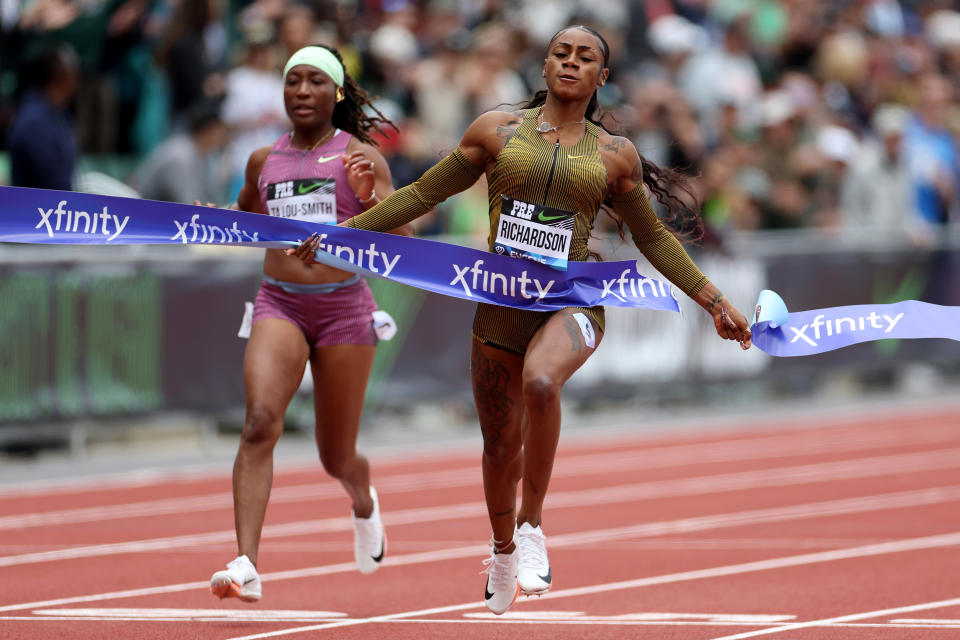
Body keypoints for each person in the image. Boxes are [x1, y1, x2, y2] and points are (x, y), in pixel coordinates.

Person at [291, 25, 752, 616]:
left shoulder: (615, 156)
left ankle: (532, 528)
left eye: (586, 57)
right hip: (500, 306)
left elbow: (654, 236)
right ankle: (504, 549)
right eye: (562, 52)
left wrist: (714, 301)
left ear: (600, 78)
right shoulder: (495, 131)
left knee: (541, 382)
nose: (571, 62)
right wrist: (340, 233)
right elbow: (421, 194)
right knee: (499, 446)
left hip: (573, 299)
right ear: (544, 66)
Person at [209, 44, 411, 602]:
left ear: (336, 93)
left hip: (346, 308)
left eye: (315, 81)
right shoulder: (261, 160)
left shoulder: (362, 155)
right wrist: (209, 220)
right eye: (292, 81)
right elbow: (247, 219)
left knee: (335, 456)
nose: (302, 91)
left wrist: (369, 200)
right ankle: (247, 561)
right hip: (280, 302)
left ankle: (363, 499)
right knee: (259, 423)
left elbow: (404, 243)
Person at [7, 43, 79, 190]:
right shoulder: (35, 121)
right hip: (36, 209)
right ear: (61, 76)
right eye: (74, 73)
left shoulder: (58, 114)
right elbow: (52, 181)